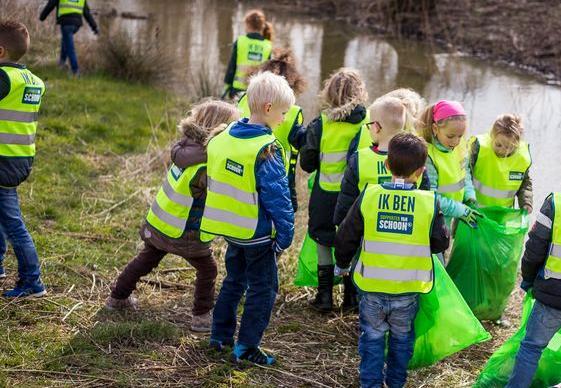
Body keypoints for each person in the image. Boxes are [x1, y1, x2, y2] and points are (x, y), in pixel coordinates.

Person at [105, 100, 239, 332]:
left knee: (145, 260)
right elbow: (217, 195)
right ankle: (201, 316)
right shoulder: (206, 164)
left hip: (161, 223)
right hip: (186, 230)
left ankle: (117, 297)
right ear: (220, 130)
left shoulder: (186, 149)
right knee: (208, 270)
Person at [334, 133, 449, 388]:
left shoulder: (370, 195)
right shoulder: (429, 202)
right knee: (401, 339)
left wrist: (341, 264)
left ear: (387, 165)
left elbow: (345, 235)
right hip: (407, 291)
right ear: (421, 171)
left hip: (371, 288)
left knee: (372, 338)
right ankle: (395, 383)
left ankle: (371, 384)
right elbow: (441, 242)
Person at [201, 72, 295, 365]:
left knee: (234, 282)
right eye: (282, 112)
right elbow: (277, 197)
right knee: (263, 290)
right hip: (258, 235)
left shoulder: (223, 138)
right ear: (268, 108)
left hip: (231, 230)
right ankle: (247, 346)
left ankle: (220, 335)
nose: (283, 118)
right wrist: (285, 235)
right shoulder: (265, 149)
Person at [300, 67, 371, 313]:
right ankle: (351, 299)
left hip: (325, 195)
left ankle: (324, 297)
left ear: (328, 94)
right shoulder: (371, 123)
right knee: (353, 243)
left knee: (323, 240)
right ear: (361, 94)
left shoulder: (321, 123)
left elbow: (307, 162)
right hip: (357, 198)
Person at [0, 20, 47, 297]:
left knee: (12, 222)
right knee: (3, 214)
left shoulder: (4, 79)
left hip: (3, 159)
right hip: (20, 158)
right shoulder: (33, 81)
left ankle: (32, 281)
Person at [237, 48, 307, 211]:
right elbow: (306, 144)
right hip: (277, 180)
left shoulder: (243, 101)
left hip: (242, 175)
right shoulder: (293, 112)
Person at [506, 193, 561, 388]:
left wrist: (528, 279)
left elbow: (534, 249)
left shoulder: (556, 204)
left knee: (531, 348)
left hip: (552, 297)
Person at [417, 100, 480, 231]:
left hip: (452, 215)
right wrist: (461, 210)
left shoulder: (460, 147)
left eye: (460, 136)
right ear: (435, 129)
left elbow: (465, 174)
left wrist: (469, 195)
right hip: (433, 220)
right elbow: (430, 197)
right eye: (450, 136)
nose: (456, 141)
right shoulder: (428, 155)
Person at [470, 114, 532, 212]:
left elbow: (524, 184)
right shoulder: (479, 148)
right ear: (492, 136)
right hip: (474, 211)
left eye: (508, 147)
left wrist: (526, 203)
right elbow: (464, 175)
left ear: (517, 144)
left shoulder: (522, 158)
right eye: (498, 145)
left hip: (503, 215)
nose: (502, 150)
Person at [39, 0, 99, 76]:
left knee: (70, 48)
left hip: (66, 22)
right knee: (66, 41)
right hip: (76, 24)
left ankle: (75, 71)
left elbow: (51, 4)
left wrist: (42, 17)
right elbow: (87, 13)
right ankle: (62, 63)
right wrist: (95, 27)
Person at [223, 9, 273, 99]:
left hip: (238, 90)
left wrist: (227, 85)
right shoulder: (268, 45)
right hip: (257, 91)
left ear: (248, 25)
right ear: (262, 26)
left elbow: (232, 66)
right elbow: (268, 71)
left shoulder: (240, 41)